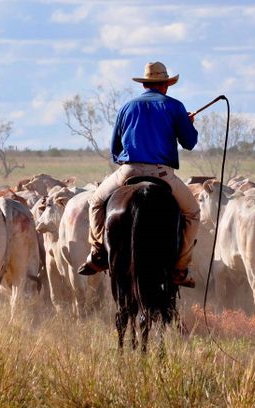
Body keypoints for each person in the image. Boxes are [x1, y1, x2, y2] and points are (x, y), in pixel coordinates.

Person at [77, 61, 199, 288]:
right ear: (166, 85)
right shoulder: (174, 106)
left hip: (128, 170)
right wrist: (188, 123)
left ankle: (98, 253)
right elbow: (189, 142)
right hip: (162, 173)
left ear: (144, 84)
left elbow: (115, 148)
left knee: (95, 201)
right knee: (193, 213)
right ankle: (180, 267)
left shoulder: (127, 107)